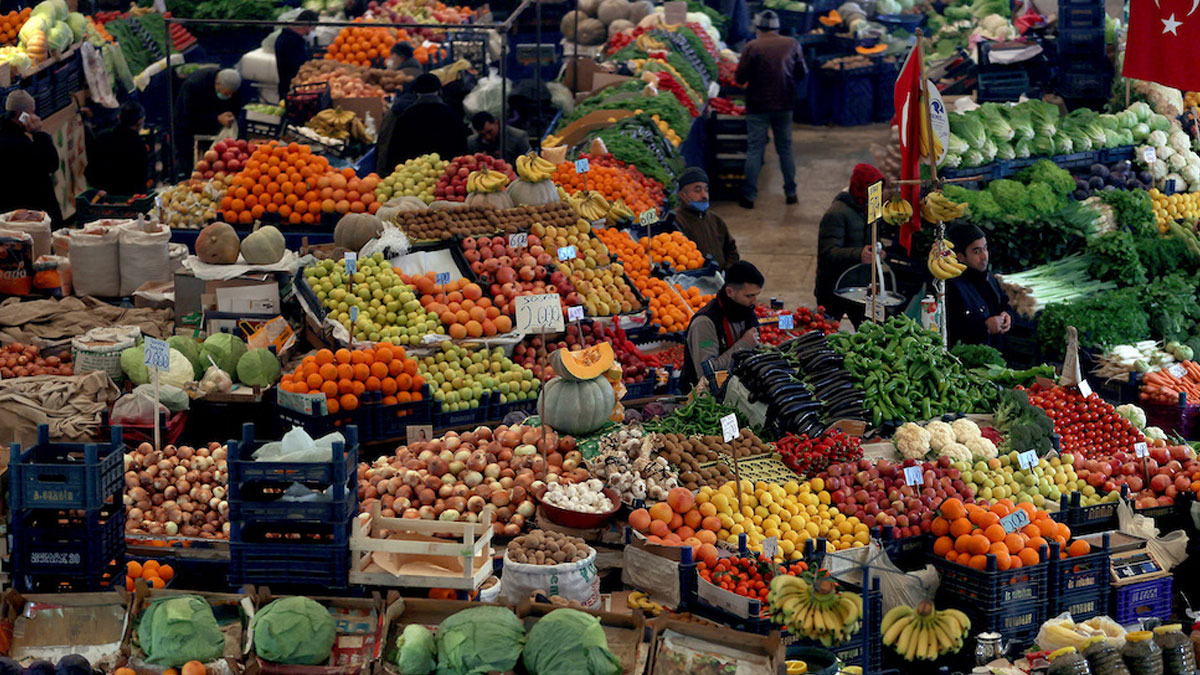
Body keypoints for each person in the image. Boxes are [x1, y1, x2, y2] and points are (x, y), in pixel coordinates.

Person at [734, 9, 805, 209]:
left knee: (755, 149)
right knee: (785, 149)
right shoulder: (792, 44)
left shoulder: (752, 46)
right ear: (777, 27)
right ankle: (791, 193)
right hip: (785, 104)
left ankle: (749, 197)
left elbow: (740, 78)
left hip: (757, 106)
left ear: (758, 28)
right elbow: (801, 73)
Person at [814, 163, 885, 323]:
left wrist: (879, 249)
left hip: (862, 287)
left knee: (868, 330)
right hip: (835, 288)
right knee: (828, 330)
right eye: (873, 189)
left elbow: (874, 237)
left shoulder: (872, 207)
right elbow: (827, 252)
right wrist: (859, 254)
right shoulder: (837, 213)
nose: (878, 194)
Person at [679, 260, 764, 392]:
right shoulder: (704, 323)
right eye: (749, 296)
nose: (754, 301)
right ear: (729, 292)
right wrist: (744, 345)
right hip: (702, 396)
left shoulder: (745, 310)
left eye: (756, 295)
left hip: (736, 389)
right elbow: (706, 374)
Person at [377, 73, 468, 172]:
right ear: (439, 91)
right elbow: (461, 150)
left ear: (416, 93)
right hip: (448, 173)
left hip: (412, 175)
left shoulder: (406, 117)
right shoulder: (452, 116)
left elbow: (395, 151)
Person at [945, 221, 1013, 348]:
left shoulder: (988, 276)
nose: (984, 256)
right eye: (976, 251)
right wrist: (985, 328)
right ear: (960, 257)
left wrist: (1007, 315)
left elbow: (1004, 302)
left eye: (985, 248)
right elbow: (951, 331)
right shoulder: (952, 287)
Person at [0, 90, 61, 226]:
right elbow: (51, 163)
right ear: (22, 115)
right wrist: (38, 133)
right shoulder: (22, 145)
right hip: (30, 214)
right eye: (32, 112)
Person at [174, 68, 243, 178]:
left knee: (212, 163)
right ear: (217, 84)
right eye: (226, 93)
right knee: (186, 161)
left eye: (232, 94)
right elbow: (190, 116)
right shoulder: (193, 86)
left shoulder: (230, 83)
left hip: (213, 127)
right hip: (186, 126)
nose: (229, 96)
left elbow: (236, 106)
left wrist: (231, 115)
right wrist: (217, 119)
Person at [670, 166, 739, 269]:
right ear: (683, 196)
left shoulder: (715, 219)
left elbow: (731, 250)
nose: (704, 196)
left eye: (706, 190)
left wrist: (727, 271)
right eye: (697, 191)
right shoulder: (675, 221)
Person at [85, 100, 148, 197]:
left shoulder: (102, 136)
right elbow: (141, 179)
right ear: (140, 122)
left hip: (102, 196)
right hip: (129, 198)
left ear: (119, 117)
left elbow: (90, 170)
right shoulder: (138, 144)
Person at [275, 10, 317, 101]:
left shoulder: (285, 37)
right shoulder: (291, 42)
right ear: (307, 26)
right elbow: (296, 68)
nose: (312, 32)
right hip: (291, 91)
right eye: (313, 28)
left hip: (288, 87)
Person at [466, 111, 530, 164]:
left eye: (489, 132)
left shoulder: (518, 137)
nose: (488, 137)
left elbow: (527, 163)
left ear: (496, 123)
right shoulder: (472, 141)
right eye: (482, 135)